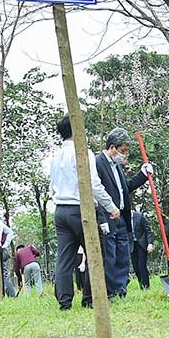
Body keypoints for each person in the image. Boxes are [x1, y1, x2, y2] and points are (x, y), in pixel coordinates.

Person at [48, 116, 117, 309]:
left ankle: (64, 303)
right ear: (77, 130)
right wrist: (111, 207)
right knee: (96, 253)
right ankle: (89, 299)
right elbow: (94, 184)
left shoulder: (55, 155)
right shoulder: (83, 153)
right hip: (81, 210)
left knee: (64, 258)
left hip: (61, 210)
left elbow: (52, 185)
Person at [94, 128, 151, 298]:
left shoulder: (116, 166)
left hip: (122, 219)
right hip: (107, 218)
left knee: (122, 256)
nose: (124, 155)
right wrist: (101, 217)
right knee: (109, 257)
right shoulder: (98, 163)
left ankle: (120, 291)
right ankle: (109, 293)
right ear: (113, 147)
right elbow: (95, 192)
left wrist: (143, 175)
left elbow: (124, 188)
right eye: (123, 151)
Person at [130, 209, 154, 290]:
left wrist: (150, 244)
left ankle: (146, 286)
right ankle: (141, 285)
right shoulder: (123, 219)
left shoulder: (139, 216)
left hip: (141, 244)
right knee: (136, 267)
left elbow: (148, 231)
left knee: (141, 266)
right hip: (132, 245)